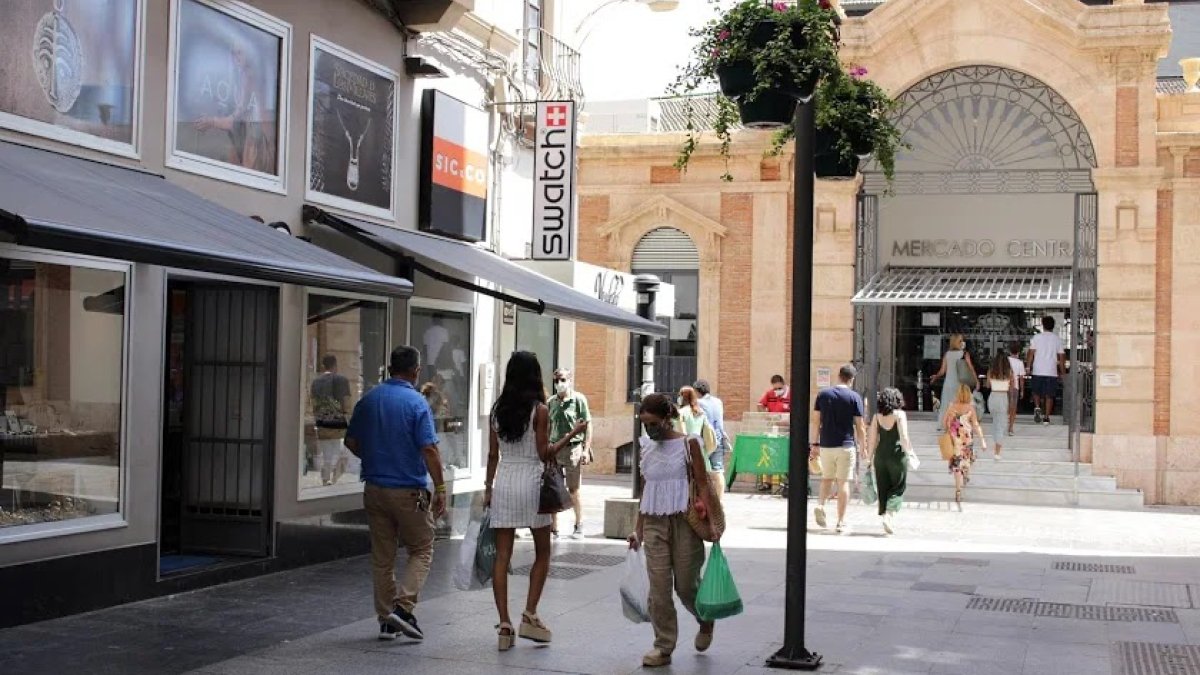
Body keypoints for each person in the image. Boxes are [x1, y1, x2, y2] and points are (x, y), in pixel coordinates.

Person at [486, 352, 587, 651]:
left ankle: (504, 624)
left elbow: (492, 455)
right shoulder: (539, 410)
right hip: (532, 483)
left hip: (505, 481)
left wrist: (488, 488)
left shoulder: (496, 411)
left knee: (502, 556)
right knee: (543, 551)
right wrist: (573, 433)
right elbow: (545, 453)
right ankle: (530, 613)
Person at [344, 346, 445, 641]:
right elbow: (429, 449)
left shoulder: (368, 399)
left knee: (382, 557)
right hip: (408, 490)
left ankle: (386, 621)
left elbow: (351, 441)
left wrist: (376, 458)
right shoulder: (416, 403)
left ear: (390, 369)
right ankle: (402, 608)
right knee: (422, 548)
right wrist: (440, 488)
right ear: (416, 371)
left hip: (374, 489)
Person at [627, 393, 717, 668]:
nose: (649, 429)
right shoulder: (646, 447)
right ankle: (663, 646)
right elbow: (646, 489)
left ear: (667, 419)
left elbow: (703, 484)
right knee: (659, 589)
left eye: (653, 423)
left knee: (687, 586)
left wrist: (713, 521)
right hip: (654, 522)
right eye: (645, 424)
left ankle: (705, 619)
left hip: (685, 522)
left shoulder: (689, 444)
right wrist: (637, 530)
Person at [809, 364, 867, 534]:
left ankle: (821, 504)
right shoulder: (854, 397)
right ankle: (840, 521)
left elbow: (816, 421)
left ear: (839, 375)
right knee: (843, 482)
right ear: (852, 379)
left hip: (826, 445)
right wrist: (863, 446)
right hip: (846, 445)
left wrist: (814, 443)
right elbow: (860, 426)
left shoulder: (823, 394)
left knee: (826, 478)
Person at [548, 368, 592, 539]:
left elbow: (587, 425)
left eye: (563, 380)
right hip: (555, 448)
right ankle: (554, 527)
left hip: (573, 448)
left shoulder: (578, 399)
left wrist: (586, 450)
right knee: (553, 488)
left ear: (570, 381)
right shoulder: (551, 402)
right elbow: (548, 426)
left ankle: (579, 524)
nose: (559, 383)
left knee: (573, 489)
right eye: (556, 380)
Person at [866, 387, 912, 535]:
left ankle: (885, 514)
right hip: (897, 455)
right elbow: (904, 437)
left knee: (883, 487)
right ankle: (889, 516)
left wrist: (869, 458)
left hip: (880, 456)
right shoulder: (900, 415)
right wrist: (910, 453)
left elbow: (872, 440)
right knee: (898, 487)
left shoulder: (876, 417)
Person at [311, 354, 352, 486]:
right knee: (344, 453)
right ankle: (334, 478)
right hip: (338, 423)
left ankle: (326, 479)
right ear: (335, 365)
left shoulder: (315, 382)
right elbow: (346, 402)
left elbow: (313, 403)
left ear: (323, 366)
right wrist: (348, 417)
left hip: (322, 422)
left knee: (326, 454)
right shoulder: (342, 380)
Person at [942, 383, 986, 503]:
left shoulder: (951, 407)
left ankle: (958, 491)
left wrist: (951, 425)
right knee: (966, 461)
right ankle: (966, 474)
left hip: (955, 440)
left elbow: (944, 422)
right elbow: (976, 424)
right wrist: (982, 440)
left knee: (957, 466)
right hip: (966, 440)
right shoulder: (970, 408)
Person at [930, 334, 976, 430]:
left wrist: (936, 376)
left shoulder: (947, 354)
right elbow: (971, 368)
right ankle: (959, 423)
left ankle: (943, 424)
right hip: (960, 383)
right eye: (961, 340)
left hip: (948, 383)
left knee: (946, 404)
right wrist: (976, 380)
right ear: (958, 342)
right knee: (961, 403)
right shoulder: (964, 354)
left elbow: (942, 371)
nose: (963, 342)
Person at [1026, 316, 1065, 426]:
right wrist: (1062, 372)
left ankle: (1037, 407)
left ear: (1043, 325)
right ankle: (1047, 417)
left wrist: (1028, 367)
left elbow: (1031, 353)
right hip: (1051, 371)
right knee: (1049, 395)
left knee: (1036, 392)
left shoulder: (1036, 338)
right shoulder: (1057, 339)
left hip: (1037, 370)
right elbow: (1061, 357)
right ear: (1053, 326)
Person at [756, 374, 791, 492]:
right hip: (773, 429)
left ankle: (787, 481)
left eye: (779, 388)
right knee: (769, 454)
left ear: (784, 385)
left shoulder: (791, 395)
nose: (777, 391)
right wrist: (766, 416)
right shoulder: (770, 394)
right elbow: (760, 405)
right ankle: (767, 482)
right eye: (775, 388)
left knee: (785, 455)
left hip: (787, 430)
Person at [693, 379, 729, 473]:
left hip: (706, 440)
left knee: (701, 469)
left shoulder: (698, 403)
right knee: (718, 469)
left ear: (696, 391)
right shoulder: (718, 401)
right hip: (719, 438)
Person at [986, 351, 1014, 461]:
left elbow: (988, 385)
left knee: (996, 422)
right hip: (1002, 397)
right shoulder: (1009, 372)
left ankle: (995, 445)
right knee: (1001, 425)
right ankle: (997, 452)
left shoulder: (991, 371)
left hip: (993, 397)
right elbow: (1011, 387)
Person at [1006, 341, 1026, 435]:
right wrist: (1022, 391)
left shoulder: (1005, 361)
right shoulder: (1020, 363)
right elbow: (1021, 379)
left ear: (1009, 351)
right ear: (1018, 352)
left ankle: (1004, 424)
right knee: (1013, 407)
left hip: (1004, 386)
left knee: (1005, 406)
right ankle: (1010, 427)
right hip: (1015, 387)